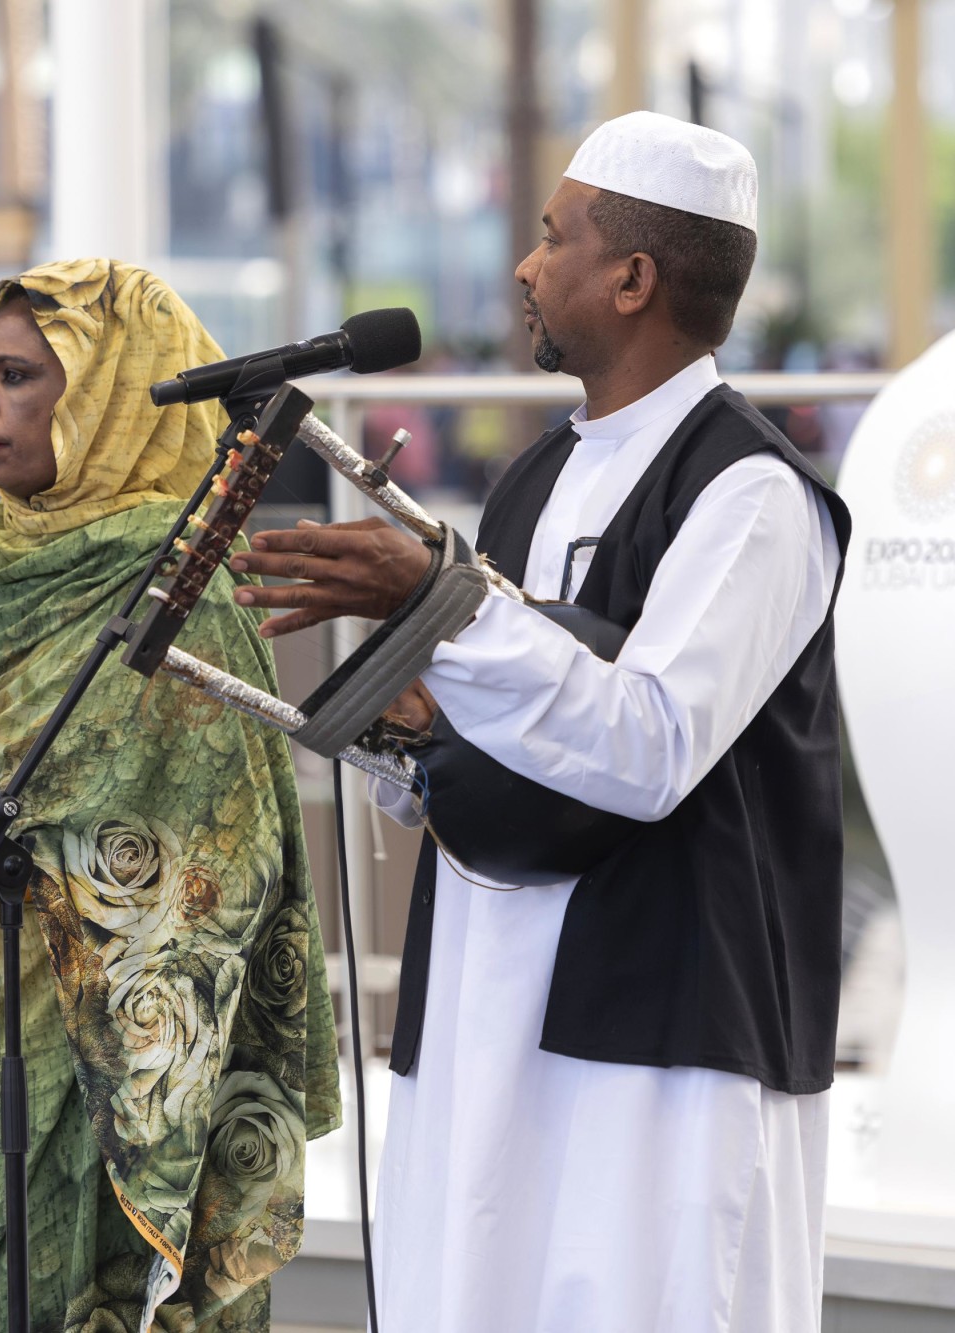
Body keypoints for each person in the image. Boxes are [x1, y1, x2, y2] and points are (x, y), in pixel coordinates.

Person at [232, 112, 850, 1332]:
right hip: (482, 1017)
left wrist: (441, 608)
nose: (524, 265)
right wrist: (403, 731)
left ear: (630, 279)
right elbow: (502, 746)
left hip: (660, 1041)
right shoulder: (533, 476)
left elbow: (651, 746)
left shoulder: (752, 495)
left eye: (551, 236)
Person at [0, 258, 340, 1331]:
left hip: (84, 1077)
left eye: (19, 374)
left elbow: (221, 871)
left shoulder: (182, 598)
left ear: (114, 393)